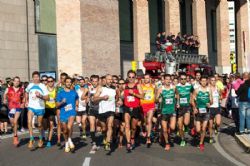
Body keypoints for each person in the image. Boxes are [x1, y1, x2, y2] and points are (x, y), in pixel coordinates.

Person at [93, 74, 119, 151]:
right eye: (109, 79)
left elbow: (117, 96)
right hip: (102, 111)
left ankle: (108, 143)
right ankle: (105, 137)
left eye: (111, 79)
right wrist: (102, 97)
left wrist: (118, 101)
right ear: (105, 80)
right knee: (104, 129)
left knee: (110, 125)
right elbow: (94, 99)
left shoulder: (115, 88)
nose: (110, 81)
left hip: (111, 110)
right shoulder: (101, 88)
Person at [25, 71, 49, 149]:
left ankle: (40, 138)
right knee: (29, 122)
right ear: (33, 78)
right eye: (34, 77)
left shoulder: (43, 86)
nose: (36, 78)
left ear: (39, 78)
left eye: (37, 77)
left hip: (40, 108)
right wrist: (26, 100)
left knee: (39, 125)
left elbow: (47, 98)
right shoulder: (30, 85)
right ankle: (31, 139)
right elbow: (26, 92)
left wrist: (40, 96)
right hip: (31, 107)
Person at [122, 70, 144, 152]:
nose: (131, 78)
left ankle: (132, 137)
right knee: (127, 126)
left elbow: (142, 96)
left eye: (133, 77)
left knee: (134, 127)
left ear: (135, 77)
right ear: (127, 77)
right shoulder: (124, 86)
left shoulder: (138, 85)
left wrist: (134, 94)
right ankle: (128, 143)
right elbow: (120, 95)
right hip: (127, 108)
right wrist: (120, 99)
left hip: (136, 108)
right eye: (129, 77)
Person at [56, 77, 79, 152]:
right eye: (67, 82)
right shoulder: (60, 93)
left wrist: (76, 106)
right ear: (64, 83)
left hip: (72, 112)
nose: (68, 83)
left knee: (69, 126)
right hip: (63, 113)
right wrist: (62, 102)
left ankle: (70, 140)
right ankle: (66, 143)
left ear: (71, 83)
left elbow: (77, 99)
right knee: (65, 130)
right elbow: (57, 105)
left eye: (70, 82)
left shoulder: (74, 92)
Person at [156, 74, 176, 151]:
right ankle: (167, 143)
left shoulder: (173, 88)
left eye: (169, 79)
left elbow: (177, 95)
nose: (168, 81)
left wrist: (177, 102)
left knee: (172, 127)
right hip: (164, 111)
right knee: (164, 129)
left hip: (172, 110)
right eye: (166, 79)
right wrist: (158, 100)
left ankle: (167, 134)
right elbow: (156, 99)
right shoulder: (160, 89)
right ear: (163, 80)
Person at [192, 76, 213, 151]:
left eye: (205, 81)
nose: (204, 82)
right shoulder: (197, 90)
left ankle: (201, 143)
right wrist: (194, 108)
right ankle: (197, 133)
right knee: (198, 130)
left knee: (203, 128)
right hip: (198, 111)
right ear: (200, 82)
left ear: (207, 81)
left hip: (206, 111)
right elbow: (192, 100)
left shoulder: (209, 90)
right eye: (202, 81)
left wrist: (209, 103)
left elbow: (211, 101)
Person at [3, 76, 24, 146]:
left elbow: (24, 98)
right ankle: (15, 131)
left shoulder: (21, 89)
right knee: (13, 124)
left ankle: (15, 137)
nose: (17, 82)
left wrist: (23, 103)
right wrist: (5, 100)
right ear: (13, 81)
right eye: (15, 81)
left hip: (18, 107)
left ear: (19, 82)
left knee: (15, 121)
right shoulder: (8, 89)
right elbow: (5, 96)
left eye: (18, 81)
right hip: (10, 107)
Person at [176, 73, 193, 147]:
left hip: (187, 106)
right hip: (180, 107)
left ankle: (186, 127)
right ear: (179, 79)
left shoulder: (189, 86)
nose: (183, 80)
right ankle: (182, 139)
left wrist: (191, 100)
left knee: (186, 123)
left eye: (184, 79)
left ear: (187, 79)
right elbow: (177, 96)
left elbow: (192, 93)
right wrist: (177, 103)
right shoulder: (177, 86)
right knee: (180, 127)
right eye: (182, 79)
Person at [140, 74, 156, 147]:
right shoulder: (141, 86)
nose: (146, 79)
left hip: (151, 105)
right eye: (145, 78)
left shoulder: (153, 86)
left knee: (149, 121)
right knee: (145, 122)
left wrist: (155, 104)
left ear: (150, 78)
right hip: (143, 106)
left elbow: (155, 95)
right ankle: (145, 130)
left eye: (147, 78)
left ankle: (148, 137)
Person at [44, 76, 57, 147]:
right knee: (45, 126)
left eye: (51, 81)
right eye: (48, 81)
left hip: (52, 109)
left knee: (51, 125)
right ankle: (43, 137)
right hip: (45, 108)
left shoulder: (56, 89)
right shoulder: (44, 89)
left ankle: (49, 140)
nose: (50, 82)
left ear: (53, 81)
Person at [208, 76, 222, 143]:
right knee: (210, 125)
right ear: (210, 81)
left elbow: (220, 96)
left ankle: (216, 127)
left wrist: (220, 99)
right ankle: (210, 137)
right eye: (212, 80)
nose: (213, 81)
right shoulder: (208, 89)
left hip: (217, 107)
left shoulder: (217, 88)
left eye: (214, 80)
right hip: (210, 108)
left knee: (218, 123)